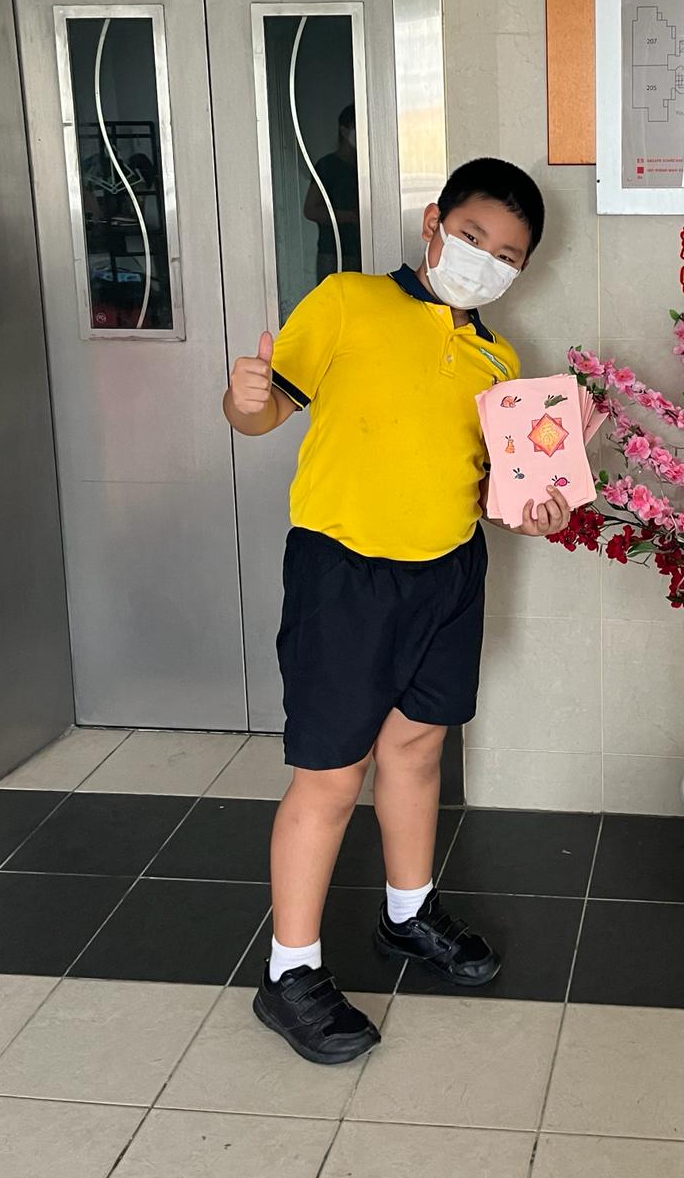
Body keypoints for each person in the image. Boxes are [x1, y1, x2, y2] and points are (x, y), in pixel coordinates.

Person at [222, 158, 570, 1065]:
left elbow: (495, 489)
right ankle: (289, 972)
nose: (486, 260)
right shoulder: (348, 301)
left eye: (508, 255)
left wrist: (535, 509)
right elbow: (264, 412)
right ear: (433, 224)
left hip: (449, 574)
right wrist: (244, 400)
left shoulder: (501, 363)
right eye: (474, 237)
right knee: (332, 776)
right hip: (344, 576)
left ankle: (408, 914)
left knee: (417, 749)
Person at [304, 103, 361, 282]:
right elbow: (310, 210)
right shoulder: (327, 166)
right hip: (332, 253)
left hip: (362, 251)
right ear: (344, 131)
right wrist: (349, 217)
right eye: (357, 126)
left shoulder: (364, 168)